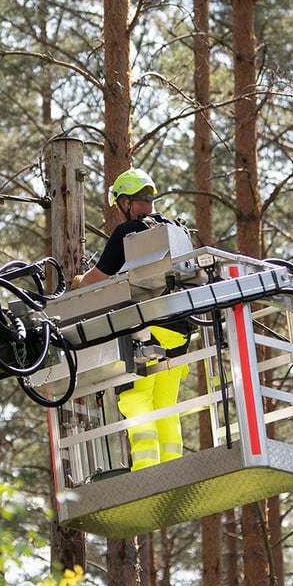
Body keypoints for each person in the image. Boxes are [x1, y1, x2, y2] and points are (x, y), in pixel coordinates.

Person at [73, 167, 190, 471]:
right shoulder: (173, 229)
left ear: (125, 201)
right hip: (180, 332)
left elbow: (97, 278)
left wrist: (77, 281)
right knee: (166, 404)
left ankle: (147, 470)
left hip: (147, 331)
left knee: (137, 400)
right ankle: (173, 467)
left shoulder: (129, 232)